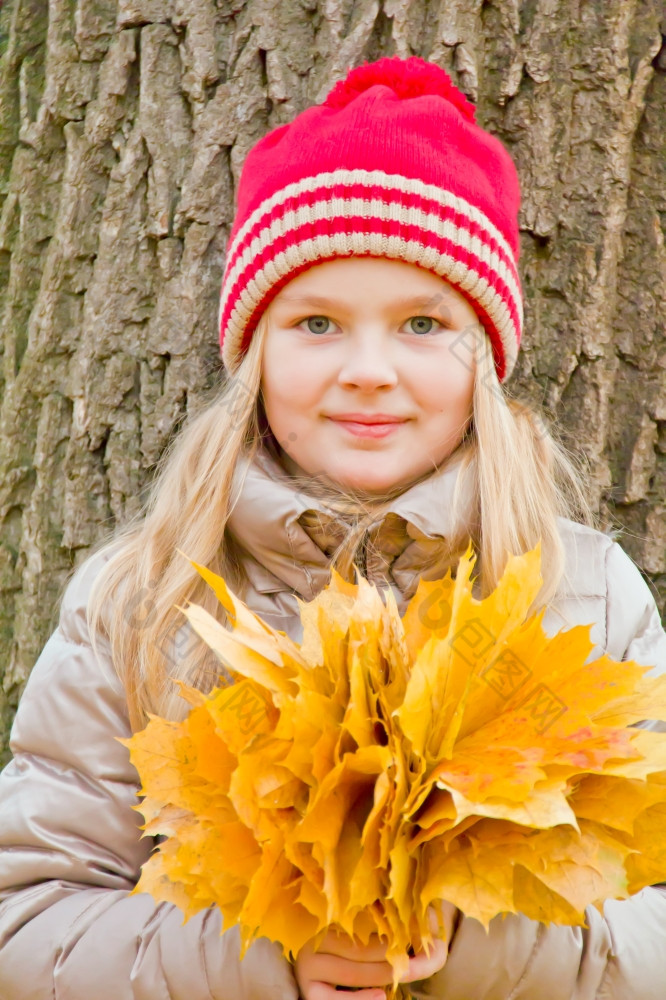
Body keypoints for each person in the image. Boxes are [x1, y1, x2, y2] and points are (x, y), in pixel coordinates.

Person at [0, 54, 665, 1000]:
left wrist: (472, 944)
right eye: (315, 323)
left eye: (423, 324)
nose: (367, 369)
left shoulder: (585, 593)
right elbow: (28, 921)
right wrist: (266, 958)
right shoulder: (143, 602)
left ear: (486, 354)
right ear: (254, 354)